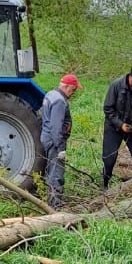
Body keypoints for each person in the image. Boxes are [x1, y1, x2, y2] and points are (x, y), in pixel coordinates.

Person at [40, 73, 82, 207]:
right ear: (67, 86)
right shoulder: (59, 101)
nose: (73, 92)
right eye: (73, 89)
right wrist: (60, 148)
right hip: (54, 141)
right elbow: (56, 126)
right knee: (56, 172)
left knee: (49, 170)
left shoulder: (51, 94)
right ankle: (55, 205)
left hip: (46, 137)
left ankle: (49, 200)